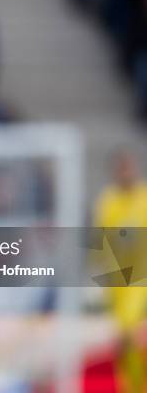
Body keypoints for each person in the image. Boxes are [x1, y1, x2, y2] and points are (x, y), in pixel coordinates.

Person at [93, 149, 147, 393]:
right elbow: (104, 242)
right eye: (122, 168)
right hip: (118, 285)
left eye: (130, 167)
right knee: (123, 342)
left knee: (133, 335)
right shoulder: (108, 201)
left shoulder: (144, 198)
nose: (127, 172)